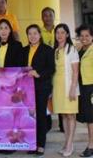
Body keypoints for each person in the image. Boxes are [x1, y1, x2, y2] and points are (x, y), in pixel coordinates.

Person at [21, 24, 55, 156]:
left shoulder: (47, 50)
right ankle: (32, 143)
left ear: (40, 35)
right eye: (29, 34)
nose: (32, 36)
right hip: (26, 88)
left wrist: (38, 73)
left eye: (35, 33)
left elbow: (51, 69)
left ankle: (41, 144)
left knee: (40, 115)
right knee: (29, 116)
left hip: (41, 87)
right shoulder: (24, 50)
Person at [52, 23, 80, 157]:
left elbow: (75, 72)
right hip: (58, 87)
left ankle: (70, 144)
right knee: (63, 115)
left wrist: (73, 88)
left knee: (70, 115)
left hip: (69, 87)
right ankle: (66, 143)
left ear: (67, 34)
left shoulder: (72, 49)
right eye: (57, 32)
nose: (59, 35)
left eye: (62, 32)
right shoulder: (55, 50)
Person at [76, 25, 93, 157]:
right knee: (88, 118)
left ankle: (91, 146)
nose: (84, 38)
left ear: (92, 37)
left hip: (91, 87)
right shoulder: (80, 49)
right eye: (81, 35)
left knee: (91, 118)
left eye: (87, 35)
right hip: (83, 87)